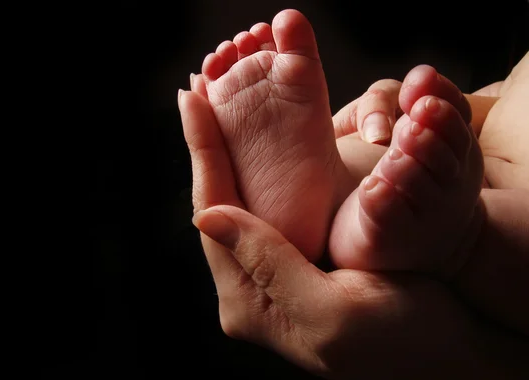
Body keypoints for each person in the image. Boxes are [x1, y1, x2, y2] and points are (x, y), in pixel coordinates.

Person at [181, 8, 528, 338]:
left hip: (500, 202)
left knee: (446, 197)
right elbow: (503, 97)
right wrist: (442, 109)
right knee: (379, 157)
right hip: (485, 158)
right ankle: (326, 188)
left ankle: (464, 238)